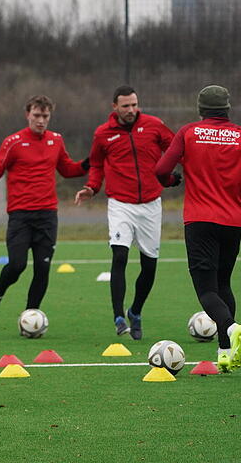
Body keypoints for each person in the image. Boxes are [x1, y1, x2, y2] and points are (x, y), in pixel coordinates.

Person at [155, 85, 241, 372]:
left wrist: (171, 181)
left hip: (199, 219)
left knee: (207, 290)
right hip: (233, 221)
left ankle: (231, 329)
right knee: (224, 284)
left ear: (201, 110)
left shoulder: (188, 133)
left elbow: (161, 169)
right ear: (227, 109)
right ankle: (224, 351)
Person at [0, 95, 88, 325]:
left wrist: (89, 163)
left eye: (45, 116)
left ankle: (30, 317)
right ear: (27, 115)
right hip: (21, 216)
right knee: (17, 265)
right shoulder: (13, 142)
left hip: (47, 216)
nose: (41, 120)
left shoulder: (56, 140)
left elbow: (68, 169)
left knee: (42, 269)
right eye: (37, 115)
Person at [74, 86, 178, 340]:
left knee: (149, 265)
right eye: (125, 106)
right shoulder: (102, 134)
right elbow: (96, 165)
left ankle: (136, 311)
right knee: (119, 255)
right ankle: (119, 316)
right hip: (120, 204)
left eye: (134, 105)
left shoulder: (154, 125)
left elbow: (176, 149)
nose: (131, 110)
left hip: (151, 204)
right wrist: (91, 187)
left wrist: (171, 177)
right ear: (115, 107)